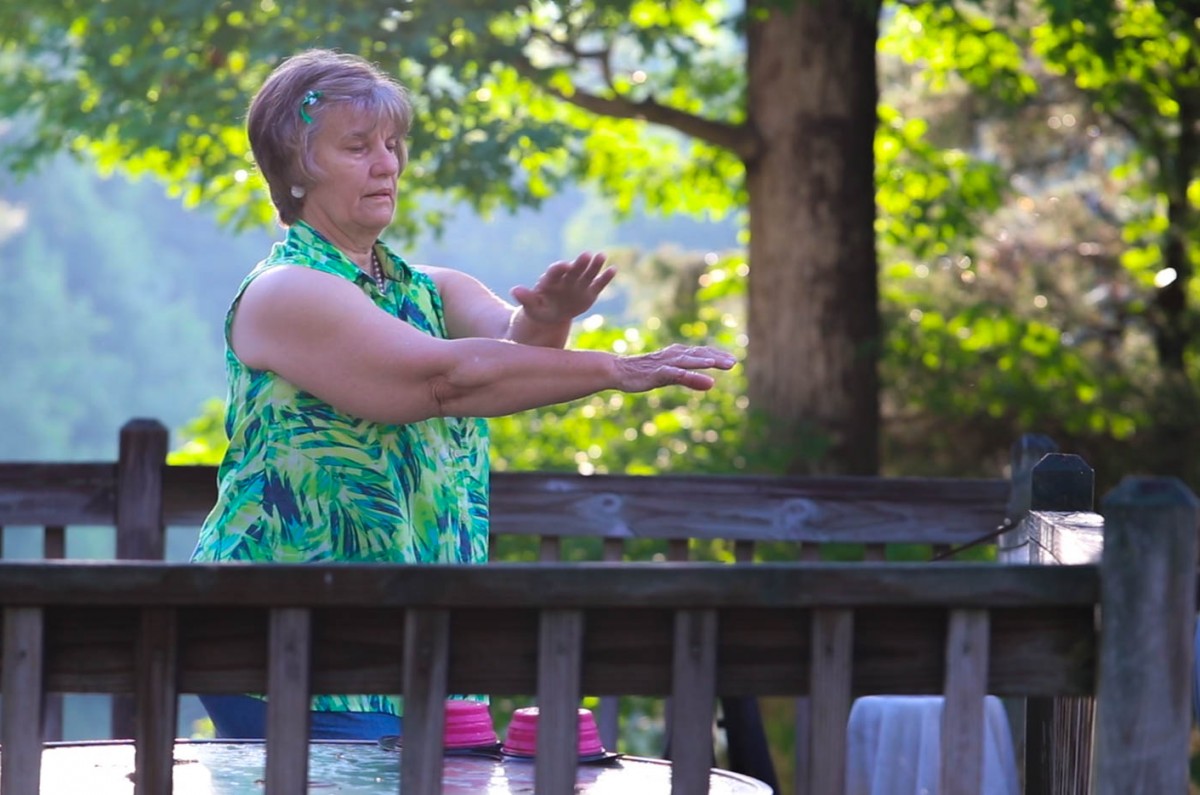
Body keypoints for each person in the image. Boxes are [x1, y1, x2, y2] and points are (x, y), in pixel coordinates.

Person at [190, 48, 737, 741]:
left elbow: (513, 359)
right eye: (358, 146)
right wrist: (620, 368)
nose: (387, 163)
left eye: (392, 144)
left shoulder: (429, 288)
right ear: (295, 168)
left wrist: (549, 317)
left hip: (403, 635)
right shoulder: (286, 292)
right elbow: (445, 378)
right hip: (285, 639)